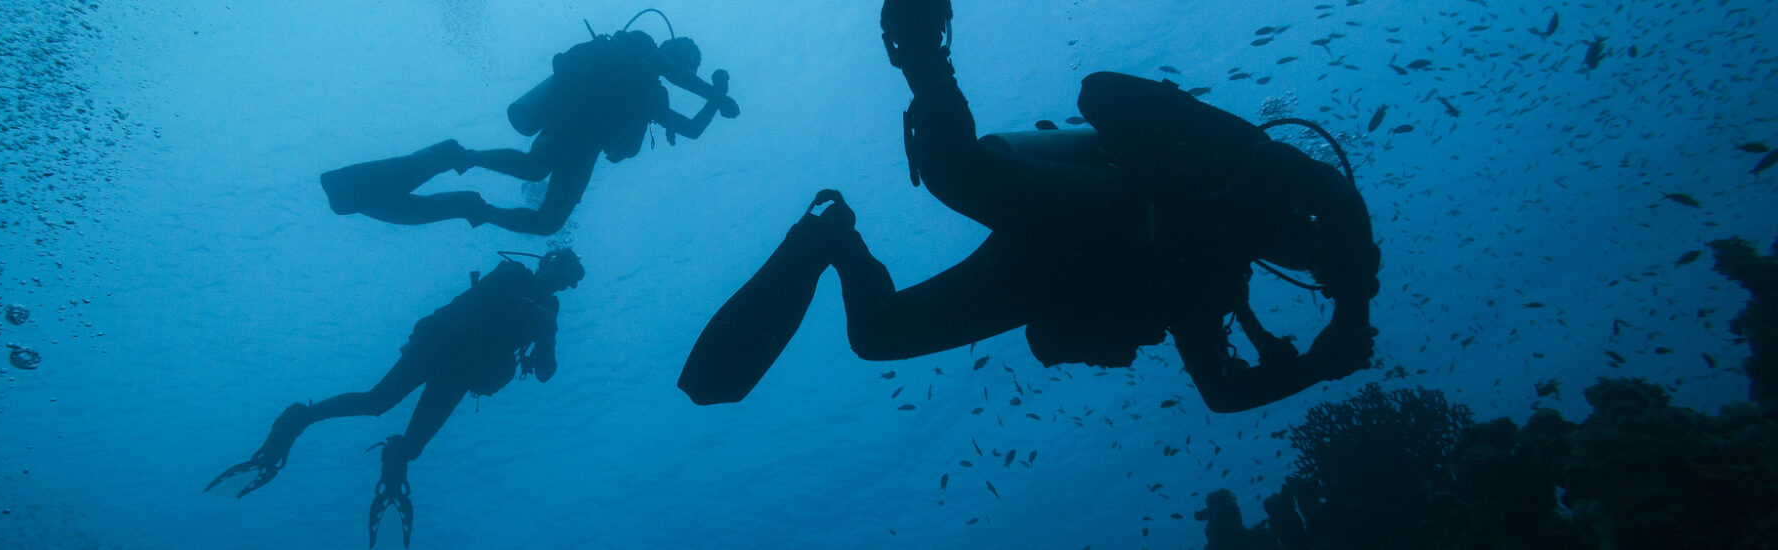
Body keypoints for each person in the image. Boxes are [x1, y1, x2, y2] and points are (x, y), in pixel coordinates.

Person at [679, 0, 1381, 413]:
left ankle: (832, 239)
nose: (1297, 241)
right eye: (1304, 235)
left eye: (1304, 253)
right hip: (1105, 202)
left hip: (1047, 275)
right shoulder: (1242, 167)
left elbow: (1221, 395)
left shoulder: (1217, 287)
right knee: (955, 171)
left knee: (877, 337)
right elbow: (1331, 193)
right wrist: (1352, 311)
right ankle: (924, 49)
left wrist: (1318, 366)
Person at [207, 248, 585, 548]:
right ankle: (299, 418)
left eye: (567, 281)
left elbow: (545, 373)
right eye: (559, 271)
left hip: (461, 375)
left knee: (413, 445)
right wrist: (528, 309)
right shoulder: (513, 274)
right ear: (546, 263)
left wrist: (547, 331)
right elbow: (481, 298)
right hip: (437, 349)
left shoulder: (549, 311)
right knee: (377, 402)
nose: (559, 283)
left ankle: (392, 473)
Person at [318, 19, 740, 236]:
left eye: (687, 61)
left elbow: (690, 131)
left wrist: (714, 99)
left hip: (587, 146)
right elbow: (677, 77)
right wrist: (717, 94)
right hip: (572, 122)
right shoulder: (642, 46)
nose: (682, 63)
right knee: (534, 168)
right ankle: (458, 155)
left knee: (549, 224)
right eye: (682, 54)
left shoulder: (656, 95)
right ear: (671, 49)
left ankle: (476, 208)